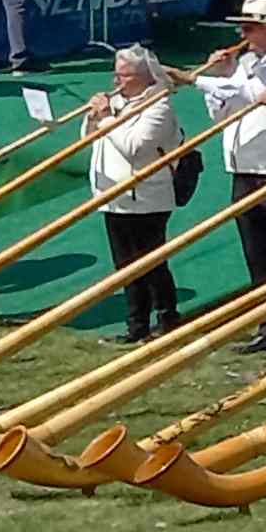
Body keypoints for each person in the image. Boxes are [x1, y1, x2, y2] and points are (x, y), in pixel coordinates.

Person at [191, 0, 266, 341]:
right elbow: (222, 113)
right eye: (242, 28)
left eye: (249, 28)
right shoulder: (243, 64)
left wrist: (196, 79)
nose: (243, 35)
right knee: (258, 254)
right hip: (243, 168)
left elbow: (250, 93)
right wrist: (221, 76)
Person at [80, 45, 196, 339]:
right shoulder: (117, 102)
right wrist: (93, 118)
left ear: (144, 76)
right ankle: (137, 326)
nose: (115, 81)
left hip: (146, 198)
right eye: (116, 74)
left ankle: (168, 319)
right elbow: (90, 139)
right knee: (125, 267)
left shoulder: (159, 106)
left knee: (151, 263)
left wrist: (107, 118)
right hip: (113, 196)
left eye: (123, 75)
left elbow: (135, 147)